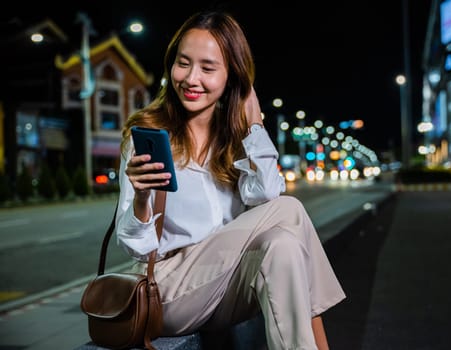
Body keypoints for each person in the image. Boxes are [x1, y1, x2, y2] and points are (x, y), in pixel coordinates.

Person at [116, 10, 345, 350]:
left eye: (207, 68)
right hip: (168, 292)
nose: (191, 78)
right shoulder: (150, 136)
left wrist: (254, 125)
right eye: (184, 63)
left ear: (231, 77)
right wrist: (140, 198)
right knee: (289, 209)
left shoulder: (236, 140)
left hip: (223, 292)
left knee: (283, 246)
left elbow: (265, 194)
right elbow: (133, 245)